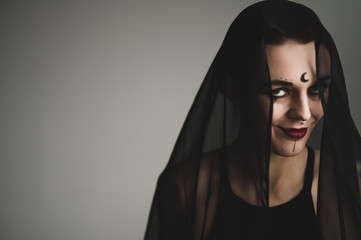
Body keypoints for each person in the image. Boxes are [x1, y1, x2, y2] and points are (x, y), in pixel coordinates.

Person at [145, 1, 361, 239]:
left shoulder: (351, 184)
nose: (305, 113)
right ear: (233, 91)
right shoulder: (184, 189)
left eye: (317, 89)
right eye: (279, 91)